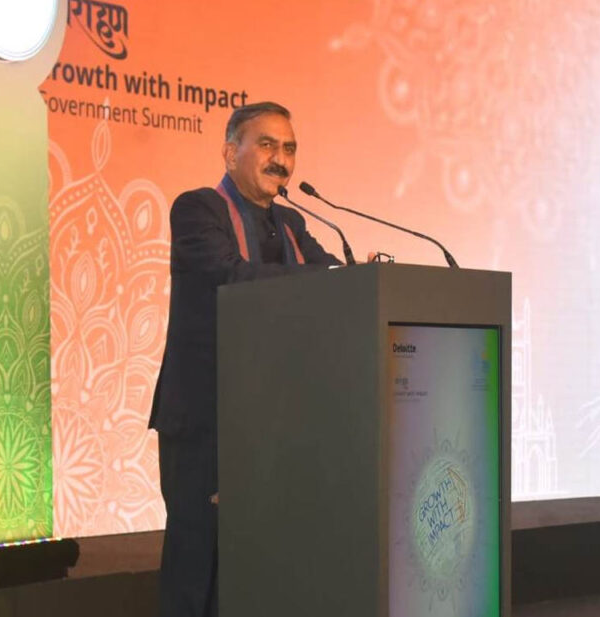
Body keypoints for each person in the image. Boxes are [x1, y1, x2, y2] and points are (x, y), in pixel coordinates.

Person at [148, 101, 341, 617]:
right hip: (207, 419)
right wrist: (327, 279)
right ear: (231, 153)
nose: (282, 159)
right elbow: (230, 276)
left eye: (290, 148)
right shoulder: (198, 210)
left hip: (274, 423)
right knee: (201, 564)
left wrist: (356, 280)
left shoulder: (293, 221)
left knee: (264, 561)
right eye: (268, 144)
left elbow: (333, 283)